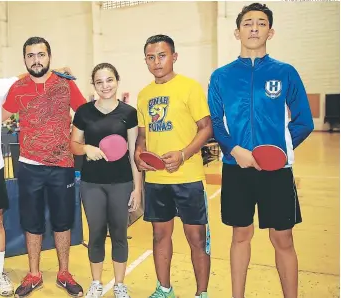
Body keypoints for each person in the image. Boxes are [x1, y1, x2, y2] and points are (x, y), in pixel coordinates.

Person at [207, 3, 314, 298]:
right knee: (240, 235)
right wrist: (234, 149)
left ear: (271, 31)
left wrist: (277, 152)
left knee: (284, 238)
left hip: (276, 172)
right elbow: (216, 122)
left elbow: (304, 121)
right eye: (248, 23)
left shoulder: (285, 73)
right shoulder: (221, 76)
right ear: (237, 31)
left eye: (261, 23)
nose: (254, 28)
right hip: (236, 167)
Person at [2, 36, 86, 298]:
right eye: (30, 55)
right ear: (24, 59)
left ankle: (64, 273)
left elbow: (84, 115)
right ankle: (34, 274)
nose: (36, 60)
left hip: (62, 166)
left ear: (49, 56)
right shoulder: (18, 87)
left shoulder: (65, 85)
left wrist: (77, 143)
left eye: (41, 54)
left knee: (62, 222)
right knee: (32, 223)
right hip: (29, 167)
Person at [133, 34, 212, 298]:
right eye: (151, 57)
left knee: (197, 240)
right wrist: (139, 154)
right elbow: (142, 137)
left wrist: (183, 154)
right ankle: (164, 290)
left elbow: (206, 128)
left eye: (162, 55)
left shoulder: (190, 87)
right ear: (145, 60)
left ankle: (202, 293)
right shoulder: (144, 95)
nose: (156, 62)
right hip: (156, 181)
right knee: (159, 237)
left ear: (174, 57)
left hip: (188, 178)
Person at [70, 63, 142, 298]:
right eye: (99, 82)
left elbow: (134, 154)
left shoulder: (128, 113)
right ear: (94, 85)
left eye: (109, 80)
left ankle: (120, 284)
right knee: (96, 232)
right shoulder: (83, 112)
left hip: (121, 184)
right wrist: (86, 148)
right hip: (92, 184)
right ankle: (96, 283)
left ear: (117, 80)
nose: (105, 86)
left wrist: (137, 189)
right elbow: (73, 144)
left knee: (119, 232)